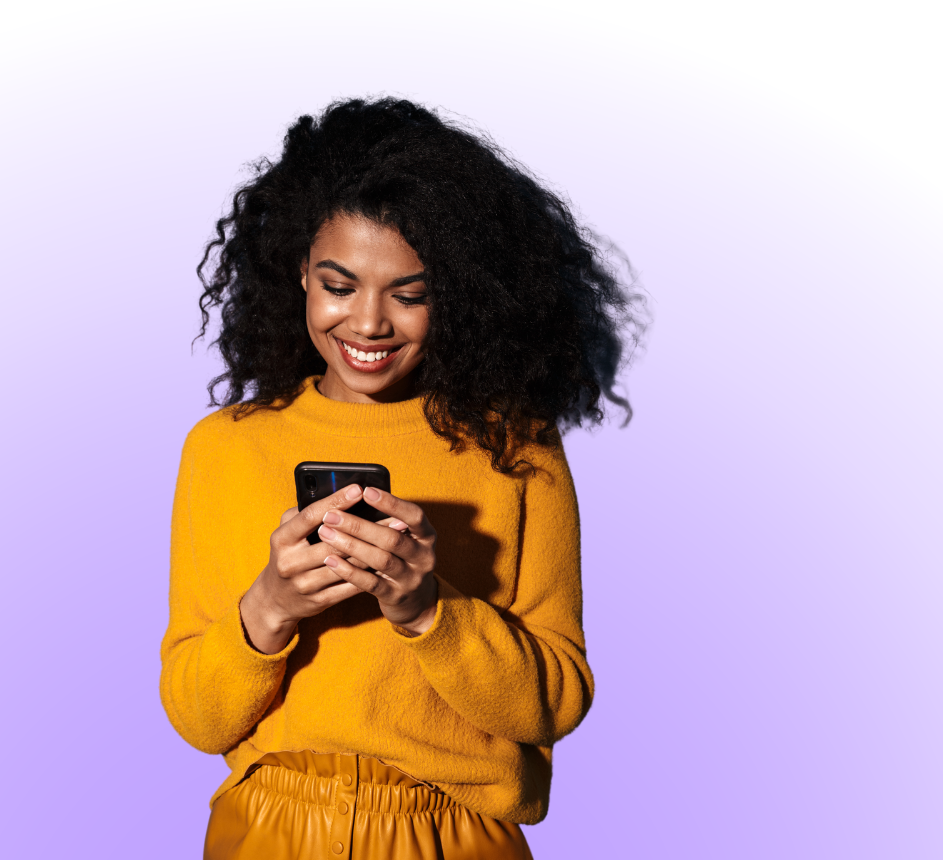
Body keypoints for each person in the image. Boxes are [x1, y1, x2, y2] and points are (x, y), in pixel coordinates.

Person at [160, 94, 649, 860]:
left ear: (455, 291)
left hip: (457, 834)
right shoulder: (223, 448)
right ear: (299, 273)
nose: (368, 324)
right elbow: (198, 718)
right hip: (272, 832)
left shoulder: (515, 451)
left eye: (410, 293)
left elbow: (554, 702)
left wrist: (429, 610)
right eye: (340, 284)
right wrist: (271, 607)